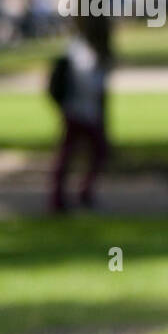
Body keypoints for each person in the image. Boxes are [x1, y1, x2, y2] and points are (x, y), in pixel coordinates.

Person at [48, 34, 109, 213]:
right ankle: (62, 197)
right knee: (72, 155)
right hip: (79, 114)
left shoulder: (85, 54)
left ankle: (78, 193)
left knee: (88, 153)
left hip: (83, 113)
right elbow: (89, 87)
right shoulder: (81, 55)